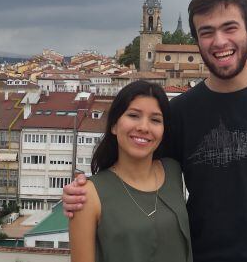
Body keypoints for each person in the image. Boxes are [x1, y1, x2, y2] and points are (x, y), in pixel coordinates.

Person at [65, 0, 247, 262]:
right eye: (207, 32)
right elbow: (138, 172)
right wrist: (86, 192)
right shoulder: (179, 113)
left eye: (230, 28)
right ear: (197, 41)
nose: (219, 41)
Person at [68, 80, 191, 262]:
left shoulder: (173, 171)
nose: (143, 127)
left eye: (155, 120)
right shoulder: (87, 196)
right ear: (114, 125)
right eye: (134, 115)